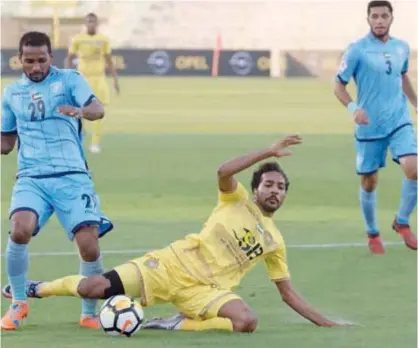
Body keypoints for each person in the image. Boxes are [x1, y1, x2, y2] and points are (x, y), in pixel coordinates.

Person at [8, 135, 347, 332]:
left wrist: (326, 323)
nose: (275, 191)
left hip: (207, 291)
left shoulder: (275, 242)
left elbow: (288, 293)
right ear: (255, 188)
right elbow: (223, 171)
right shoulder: (235, 198)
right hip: (169, 265)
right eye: (269, 184)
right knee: (94, 288)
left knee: (246, 321)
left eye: (281, 187)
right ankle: (39, 289)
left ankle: (174, 323)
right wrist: (267, 152)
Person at [1, 31, 114, 330]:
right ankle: (18, 303)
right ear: (20, 60)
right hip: (31, 177)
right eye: (29, 61)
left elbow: (97, 109)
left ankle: (89, 313)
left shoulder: (69, 80)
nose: (35, 67)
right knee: (19, 229)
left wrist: (79, 111)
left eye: (41, 60)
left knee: (88, 245)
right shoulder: (12, 93)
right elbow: (6, 144)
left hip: (72, 176)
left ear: (51, 56)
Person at [334, 0, 417, 254]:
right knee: (369, 182)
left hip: (398, 120)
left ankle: (402, 222)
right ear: (368, 19)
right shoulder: (357, 50)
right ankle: (373, 232)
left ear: (392, 18)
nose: (379, 20)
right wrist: (353, 109)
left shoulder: (402, 47)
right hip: (370, 126)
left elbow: (402, 75)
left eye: (384, 16)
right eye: (375, 16)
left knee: (414, 169)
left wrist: (415, 101)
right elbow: (338, 86)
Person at [66, 12, 120, 154]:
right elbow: (69, 58)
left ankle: (95, 143)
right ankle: (79, 139)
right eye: (88, 21)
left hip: (99, 78)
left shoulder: (103, 39)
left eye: (93, 22)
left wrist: (115, 80)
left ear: (97, 23)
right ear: (85, 23)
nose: (91, 24)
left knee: (100, 111)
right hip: (82, 78)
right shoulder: (78, 39)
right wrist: (67, 77)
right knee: (80, 111)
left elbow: (109, 60)